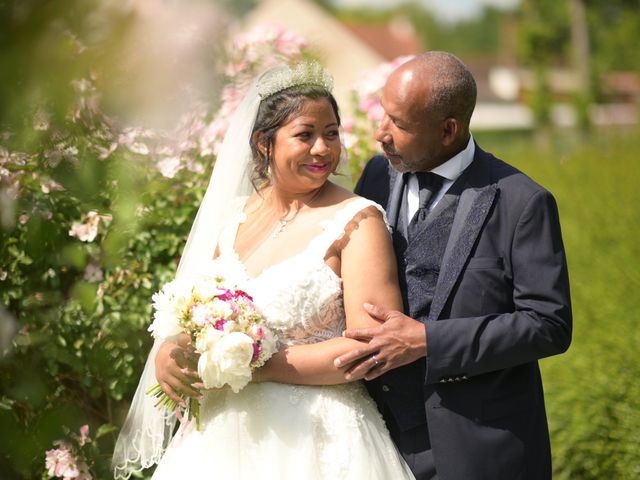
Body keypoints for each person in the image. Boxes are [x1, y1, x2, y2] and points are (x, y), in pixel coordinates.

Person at [112, 62, 415, 479]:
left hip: (319, 440)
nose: (323, 149)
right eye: (305, 135)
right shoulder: (231, 218)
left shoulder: (358, 222)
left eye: (331, 134)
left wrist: (254, 365)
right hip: (216, 441)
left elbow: (370, 348)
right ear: (264, 144)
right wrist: (171, 352)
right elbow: (195, 313)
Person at [334, 52, 572, 479]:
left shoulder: (523, 201)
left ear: (449, 130)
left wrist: (429, 340)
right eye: (383, 115)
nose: (380, 134)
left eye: (399, 124)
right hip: (377, 441)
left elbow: (548, 324)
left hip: (480, 447)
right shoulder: (374, 175)